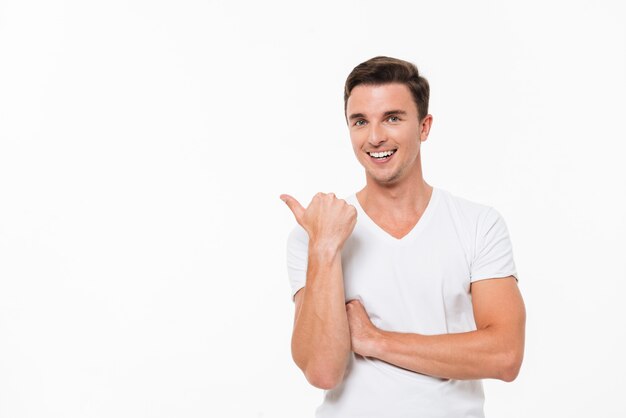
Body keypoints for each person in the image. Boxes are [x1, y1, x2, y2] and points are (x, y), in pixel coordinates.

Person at [280, 56, 526, 418]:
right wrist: (325, 247)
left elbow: (504, 355)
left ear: (424, 127)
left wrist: (376, 341)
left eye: (393, 118)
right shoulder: (316, 234)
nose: (375, 136)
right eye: (360, 121)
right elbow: (321, 370)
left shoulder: (478, 224)